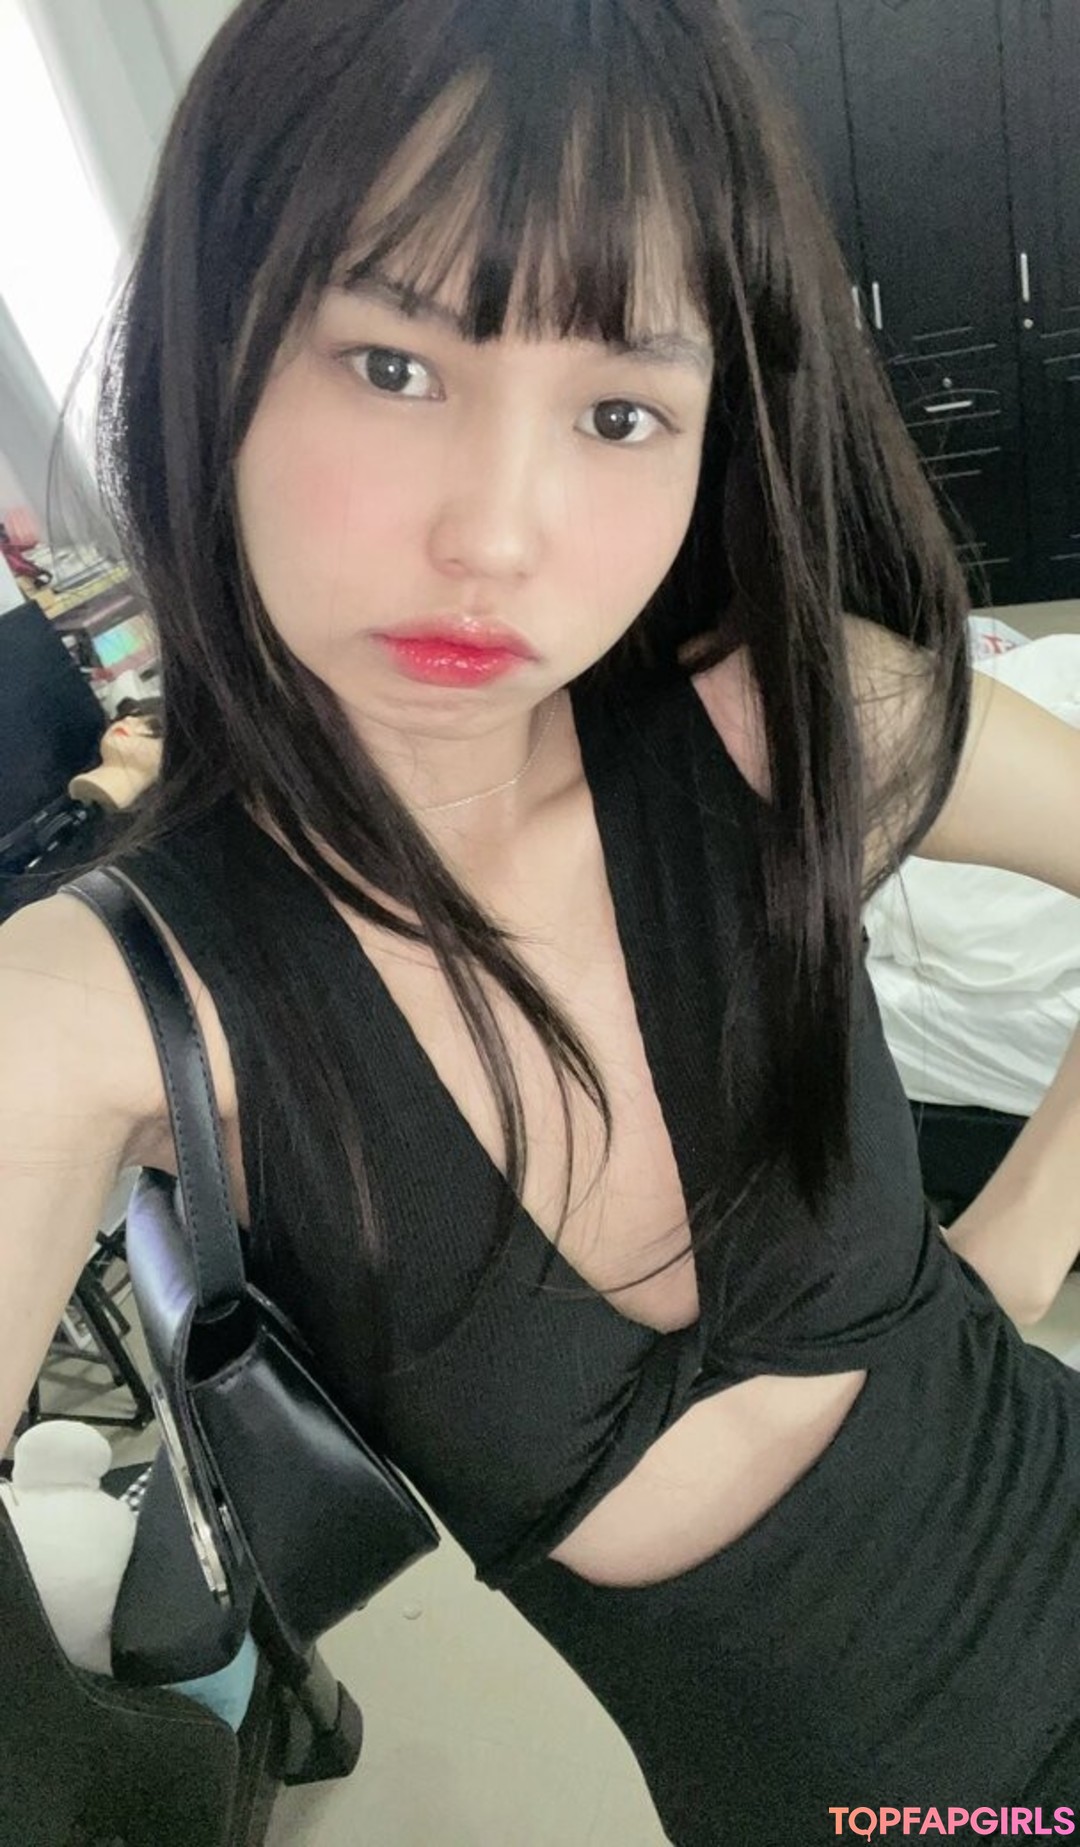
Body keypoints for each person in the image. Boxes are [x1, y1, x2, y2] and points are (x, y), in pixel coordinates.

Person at [2, 1, 1079, 1839]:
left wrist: (1022, 1248)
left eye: (619, 410)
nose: (496, 536)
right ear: (214, 350)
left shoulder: (777, 724)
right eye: (394, 364)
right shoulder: (91, 1005)